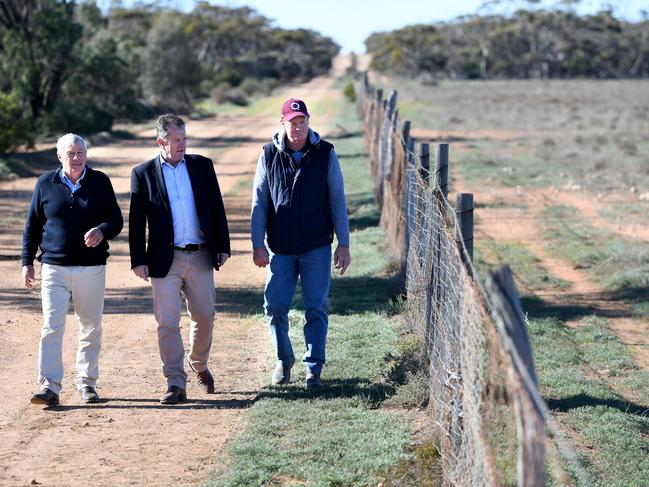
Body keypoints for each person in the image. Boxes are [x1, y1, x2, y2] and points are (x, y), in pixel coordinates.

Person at [129, 114, 230, 405]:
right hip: (164, 260)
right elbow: (137, 223)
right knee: (167, 322)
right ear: (160, 141)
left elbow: (216, 208)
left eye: (184, 139)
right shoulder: (143, 173)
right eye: (176, 140)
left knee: (204, 317)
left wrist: (222, 246)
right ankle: (175, 381)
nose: (181, 144)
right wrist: (138, 260)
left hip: (199, 255)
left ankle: (199, 363)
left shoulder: (202, 166)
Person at [251, 98, 351, 392]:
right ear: (282, 124)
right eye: (292, 123)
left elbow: (337, 200)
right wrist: (258, 244)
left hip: (316, 245)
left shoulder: (325, 153)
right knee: (275, 306)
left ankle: (313, 369)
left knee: (316, 308)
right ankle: (284, 360)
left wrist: (343, 243)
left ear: (308, 122)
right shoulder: (269, 154)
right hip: (280, 248)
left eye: (302, 122)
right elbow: (259, 203)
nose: (298, 128)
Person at [22, 133, 123, 406]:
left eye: (80, 153)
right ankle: (49, 385)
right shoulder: (45, 184)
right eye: (71, 154)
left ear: (86, 155)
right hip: (53, 267)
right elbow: (32, 227)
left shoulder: (100, 181)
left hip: (91, 268)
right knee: (51, 326)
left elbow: (116, 219)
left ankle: (86, 383)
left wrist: (102, 231)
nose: (76, 158)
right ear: (60, 157)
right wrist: (26, 262)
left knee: (90, 326)